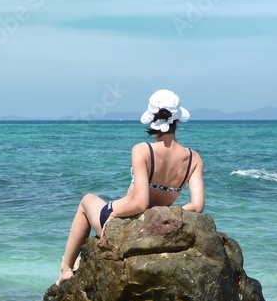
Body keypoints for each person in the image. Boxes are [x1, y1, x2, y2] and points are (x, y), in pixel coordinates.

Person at [57, 90, 205, 286]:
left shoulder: (143, 150)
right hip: (153, 224)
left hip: (127, 219)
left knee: (87, 200)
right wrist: (165, 215)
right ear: (177, 119)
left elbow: (139, 203)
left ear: (152, 118)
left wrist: (114, 214)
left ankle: (66, 268)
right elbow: (197, 206)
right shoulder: (194, 158)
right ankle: (78, 262)